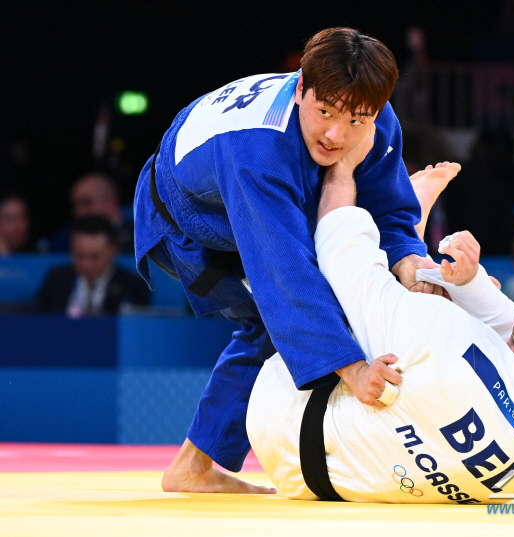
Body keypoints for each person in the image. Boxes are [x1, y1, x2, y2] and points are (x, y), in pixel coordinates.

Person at [134, 28, 454, 494]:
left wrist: (407, 256)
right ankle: (193, 466)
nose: (335, 133)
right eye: (324, 112)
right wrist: (354, 369)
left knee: (360, 252)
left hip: (283, 191)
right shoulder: (256, 154)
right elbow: (285, 276)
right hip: (190, 218)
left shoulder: (374, 114)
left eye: (356, 121)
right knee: (278, 318)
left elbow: (385, 204)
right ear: (300, 86)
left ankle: (194, 463)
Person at [246, 158, 514, 504]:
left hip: (283, 414)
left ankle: (406, 237)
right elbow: (510, 333)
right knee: (418, 319)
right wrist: (467, 285)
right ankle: (413, 250)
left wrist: (341, 170)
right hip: (312, 483)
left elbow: (342, 261)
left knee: (365, 292)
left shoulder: (442, 334)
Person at [37, 216, 149, 316]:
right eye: (79, 256)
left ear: (113, 250)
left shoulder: (133, 286)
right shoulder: (56, 279)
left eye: (94, 257)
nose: (86, 265)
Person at [51, 173, 134, 253]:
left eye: (86, 203)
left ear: (111, 202)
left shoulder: (140, 234)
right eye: (75, 205)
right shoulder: (66, 236)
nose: (78, 212)